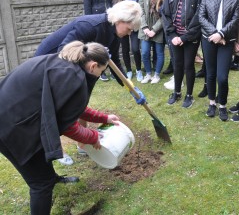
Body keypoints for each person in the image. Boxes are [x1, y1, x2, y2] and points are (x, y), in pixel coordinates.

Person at [0, 41, 143, 215]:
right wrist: (92, 137)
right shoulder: (71, 78)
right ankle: (47, 184)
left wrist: (103, 118)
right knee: (40, 183)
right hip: (10, 126)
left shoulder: (68, 66)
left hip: (18, 114)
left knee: (43, 150)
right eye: (102, 71)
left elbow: (70, 107)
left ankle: (52, 178)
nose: (100, 75)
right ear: (93, 66)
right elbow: (66, 125)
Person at [35, 0, 142, 86]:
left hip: (66, 66)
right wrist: (92, 53)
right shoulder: (90, 26)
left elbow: (114, 61)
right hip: (47, 62)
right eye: (129, 29)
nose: (129, 33)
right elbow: (63, 50)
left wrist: (130, 86)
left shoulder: (114, 33)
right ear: (119, 20)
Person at [162, 0, 206, 108]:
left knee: (188, 65)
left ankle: (189, 95)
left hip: (191, 37)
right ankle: (177, 92)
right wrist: (173, 34)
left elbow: (199, 16)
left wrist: (185, 37)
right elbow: (165, 13)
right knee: (177, 64)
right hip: (174, 36)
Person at [199, 0, 239, 121]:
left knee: (222, 76)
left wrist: (222, 33)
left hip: (226, 41)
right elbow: (201, 16)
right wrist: (214, 34)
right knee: (210, 74)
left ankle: (222, 105)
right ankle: (212, 103)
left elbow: (236, 19)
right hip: (209, 39)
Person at [83, 0, 116, 81]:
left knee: (110, 42)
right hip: (95, 16)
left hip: (108, 16)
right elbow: (87, 2)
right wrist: (88, 20)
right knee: (98, 45)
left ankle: (113, 70)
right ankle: (101, 71)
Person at [197, 0, 223, 98]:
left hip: (221, 30)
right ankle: (207, 86)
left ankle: (218, 90)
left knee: (219, 65)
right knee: (207, 61)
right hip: (206, 27)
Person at [113, 0, 143, 82]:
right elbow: (115, 7)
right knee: (125, 49)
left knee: (135, 48)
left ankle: (139, 70)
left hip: (135, 24)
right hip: (122, 25)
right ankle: (129, 70)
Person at [138, 0, 165, 84]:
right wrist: (144, 27)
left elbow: (165, 15)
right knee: (144, 52)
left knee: (159, 52)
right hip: (145, 28)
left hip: (158, 28)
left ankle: (157, 74)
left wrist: (154, 29)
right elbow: (140, 8)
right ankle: (148, 73)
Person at [158, 0, 175, 77]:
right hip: (166, 26)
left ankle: (177, 77)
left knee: (175, 53)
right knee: (172, 51)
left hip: (174, 26)